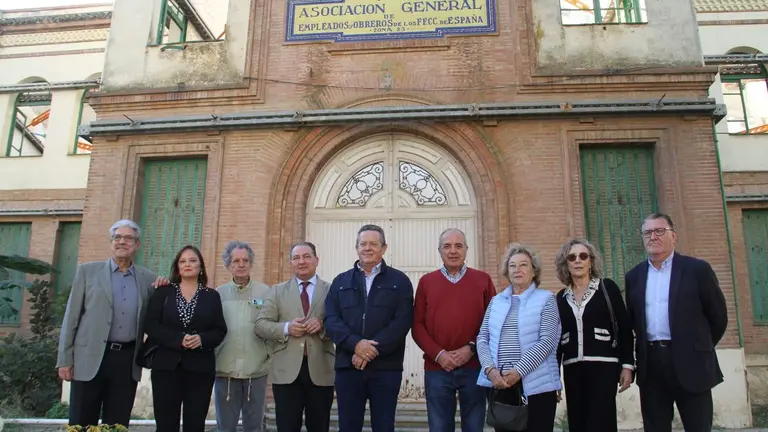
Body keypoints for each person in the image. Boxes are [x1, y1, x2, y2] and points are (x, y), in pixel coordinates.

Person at [625, 213, 728, 432]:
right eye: (648, 232)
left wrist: (699, 347)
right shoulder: (634, 276)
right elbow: (632, 322)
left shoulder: (697, 270)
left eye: (659, 231)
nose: (653, 236)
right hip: (651, 365)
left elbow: (718, 317)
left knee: (698, 426)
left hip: (691, 363)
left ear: (674, 236)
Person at [56, 219, 157, 428]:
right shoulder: (87, 272)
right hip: (88, 358)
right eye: (117, 237)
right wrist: (65, 359)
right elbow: (71, 317)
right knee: (81, 422)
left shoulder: (148, 279)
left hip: (126, 360)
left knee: (117, 423)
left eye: (129, 238)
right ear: (111, 242)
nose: (122, 242)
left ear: (137, 245)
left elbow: (157, 316)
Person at [324, 224, 414, 432]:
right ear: (356, 248)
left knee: (383, 426)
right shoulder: (340, 282)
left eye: (374, 244)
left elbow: (402, 321)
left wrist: (370, 350)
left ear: (384, 248)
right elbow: (331, 318)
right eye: (363, 244)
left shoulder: (399, 281)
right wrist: (355, 344)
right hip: (348, 366)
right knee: (348, 426)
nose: (368, 248)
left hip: (385, 368)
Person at [412, 228, 496, 432]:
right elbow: (417, 325)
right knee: (440, 427)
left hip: (475, 367)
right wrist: (439, 354)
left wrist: (471, 348)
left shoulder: (483, 280)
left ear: (466, 249)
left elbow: (493, 322)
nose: (453, 251)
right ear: (439, 251)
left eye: (458, 246)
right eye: (447, 246)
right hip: (437, 368)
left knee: (474, 426)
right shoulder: (426, 282)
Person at [476, 243, 561, 432]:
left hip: (537, 386)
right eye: (512, 265)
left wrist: (518, 372)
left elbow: (547, 341)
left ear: (533, 271)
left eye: (523, 265)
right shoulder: (496, 301)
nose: (517, 270)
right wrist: (490, 370)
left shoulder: (546, 299)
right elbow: (482, 338)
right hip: (501, 384)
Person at [143, 245, 227, 432]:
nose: (187, 264)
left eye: (192, 260)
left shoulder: (212, 296)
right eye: (183, 261)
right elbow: (151, 325)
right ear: (177, 267)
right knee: (165, 424)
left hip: (200, 368)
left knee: (195, 424)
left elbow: (220, 330)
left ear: (201, 266)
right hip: (166, 367)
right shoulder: (163, 292)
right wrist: (178, 339)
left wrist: (201, 339)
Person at [554, 238, 634, 432]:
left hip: (604, 368)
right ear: (566, 264)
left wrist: (627, 365)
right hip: (573, 370)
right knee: (578, 423)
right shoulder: (561, 297)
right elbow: (556, 342)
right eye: (572, 257)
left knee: (601, 422)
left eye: (583, 256)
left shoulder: (607, 288)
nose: (578, 261)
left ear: (591, 261)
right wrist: (554, 377)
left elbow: (624, 328)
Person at [255, 242, 335, 432]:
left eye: (307, 256)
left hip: (321, 369)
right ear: (290, 262)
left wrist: (323, 325)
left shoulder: (332, 290)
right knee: (287, 426)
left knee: (319, 426)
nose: (302, 261)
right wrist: (286, 328)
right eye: (296, 258)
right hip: (286, 372)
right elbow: (260, 325)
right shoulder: (277, 291)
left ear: (317, 260)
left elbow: (342, 323)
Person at [214, 241, 270, 432]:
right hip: (225, 373)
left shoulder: (265, 292)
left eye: (245, 260)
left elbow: (272, 327)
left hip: (257, 371)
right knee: (225, 427)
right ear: (228, 264)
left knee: (254, 427)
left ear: (251, 263)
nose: (241, 264)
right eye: (235, 260)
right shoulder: (217, 294)